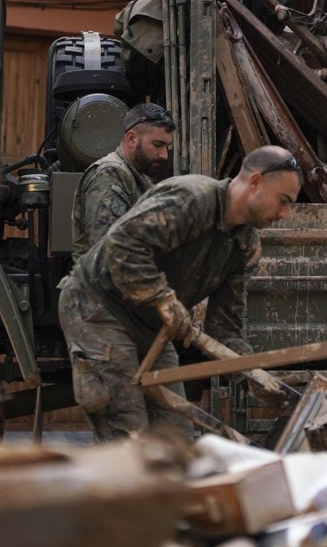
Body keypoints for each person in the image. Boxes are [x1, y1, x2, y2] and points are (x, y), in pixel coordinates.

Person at [57, 145, 302, 441]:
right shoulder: (191, 199)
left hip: (150, 327)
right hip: (98, 307)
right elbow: (122, 243)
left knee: (175, 440)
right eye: (283, 201)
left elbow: (225, 327)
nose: (286, 214)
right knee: (127, 433)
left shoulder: (245, 246)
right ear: (255, 182)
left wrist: (251, 373)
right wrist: (162, 298)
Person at [71, 102, 175, 261]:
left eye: (166, 146)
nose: (164, 155)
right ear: (132, 138)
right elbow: (109, 255)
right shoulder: (109, 175)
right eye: (157, 145)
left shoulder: (139, 177)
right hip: (103, 284)